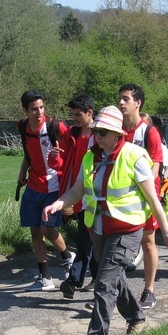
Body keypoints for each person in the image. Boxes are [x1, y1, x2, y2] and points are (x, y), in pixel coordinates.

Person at [42, 106, 168, 335]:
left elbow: (152, 198)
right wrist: (58, 203)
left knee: (104, 283)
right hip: (98, 229)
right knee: (115, 278)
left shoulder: (134, 156)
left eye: (104, 132)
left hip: (127, 231)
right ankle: (137, 319)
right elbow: (78, 190)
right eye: (97, 131)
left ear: (118, 134)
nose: (99, 136)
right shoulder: (90, 156)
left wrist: (167, 232)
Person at [17, 90, 75, 292]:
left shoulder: (55, 126)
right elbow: (27, 153)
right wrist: (22, 173)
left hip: (54, 185)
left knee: (46, 229)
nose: (39, 112)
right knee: (35, 231)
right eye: (34, 109)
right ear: (25, 110)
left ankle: (68, 256)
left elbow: (71, 152)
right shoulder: (23, 126)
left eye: (41, 107)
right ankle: (45, 279)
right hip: (34, 185)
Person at [118, 84, 164, 310]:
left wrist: (145, 192)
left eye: (126, 99)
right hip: (121, 198)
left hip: (145, 198)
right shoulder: (116, 130)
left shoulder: (148, 132)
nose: (121, 103)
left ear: (138, 103)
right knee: (117, 244)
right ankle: (114, 291)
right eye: (120, 99)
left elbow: (155, 167)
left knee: (148, 242)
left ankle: (149, 291)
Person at [47, 94, 98, 299]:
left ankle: (75, 280)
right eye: (73, 115)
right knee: (89, 239)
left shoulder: (100, 134)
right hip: (77, 193)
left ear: (90, 113)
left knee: (87, 238)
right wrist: (55, 158)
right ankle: (94, 279)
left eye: (78, 115)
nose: (74, 118)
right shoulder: (71, 134)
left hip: (95, 194)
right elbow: (63, 162)